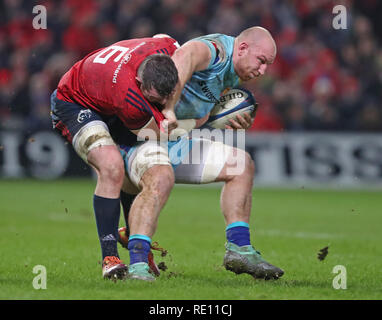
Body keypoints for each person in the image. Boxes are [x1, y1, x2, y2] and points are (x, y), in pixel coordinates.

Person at [117, 27, 284, 281]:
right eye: (261, 61)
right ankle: (139, 266)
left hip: (172, 139)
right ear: (242, 49)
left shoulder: (232, 74)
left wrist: (222, 119)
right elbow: (185, 54)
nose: (263, 71)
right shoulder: (216, 50)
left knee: (241, 165)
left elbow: (201, 112)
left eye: (267, 65)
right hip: (142, 138)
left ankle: (238, 248)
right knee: (161, 179)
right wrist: (170, 108)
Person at [50, 36, 180, 279]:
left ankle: (132, 234)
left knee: (134, 168)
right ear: (140, 81)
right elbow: (164, 134)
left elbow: (168, 42)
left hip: (104, 97)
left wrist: (169, 108)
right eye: (155, 99)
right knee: (112, 166)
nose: (162, 103)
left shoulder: (167, 47)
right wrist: (201, 120)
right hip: (75, 102)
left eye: (167, 96)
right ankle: (110, 258)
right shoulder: (130, 97)